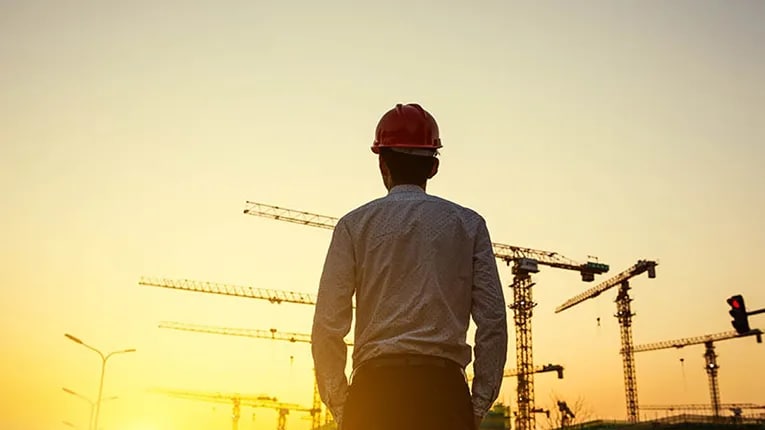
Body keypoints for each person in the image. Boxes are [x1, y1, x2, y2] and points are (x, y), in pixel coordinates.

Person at [311, 103, 508, 430]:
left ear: (382, 163)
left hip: (374, 394)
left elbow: (327, 324)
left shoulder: (353, 226)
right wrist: (476, 405)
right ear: (433, 167)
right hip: (444, 396)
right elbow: (493, 321)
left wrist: (343, 405)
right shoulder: (470, 226)